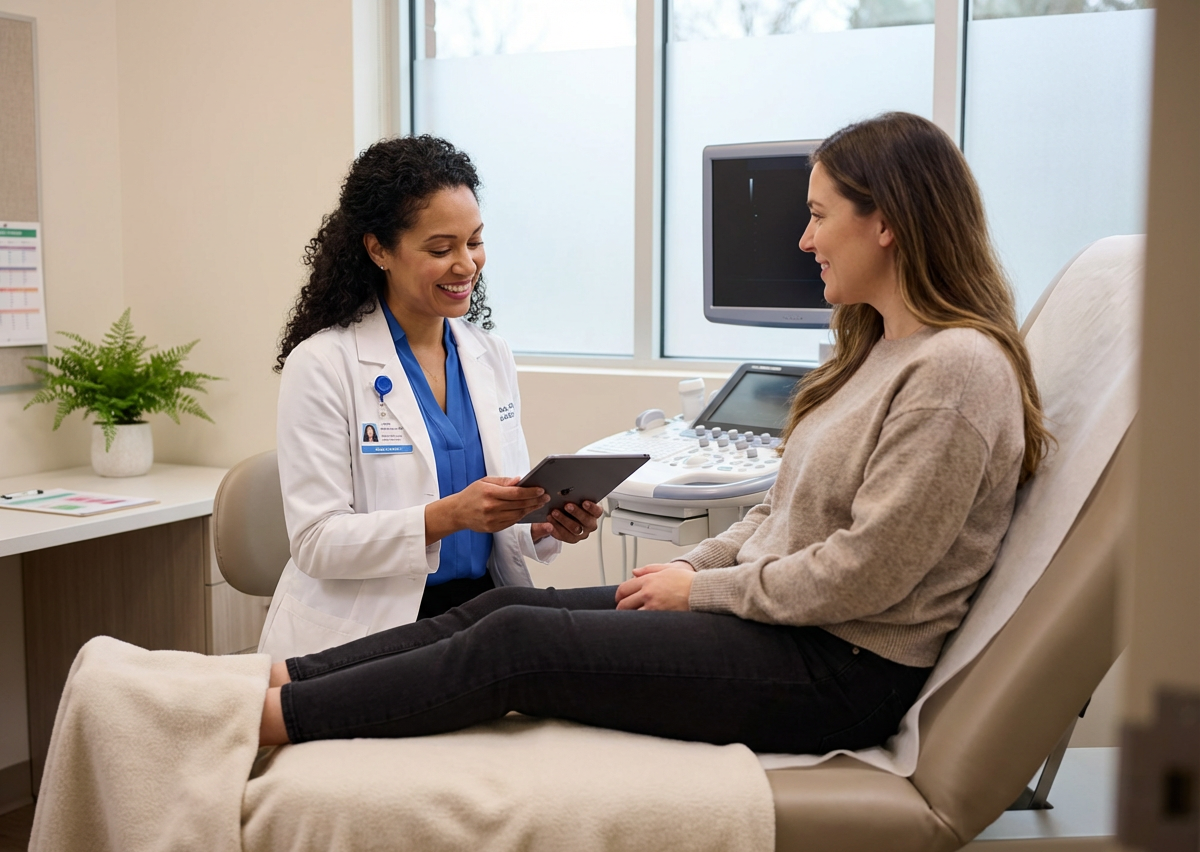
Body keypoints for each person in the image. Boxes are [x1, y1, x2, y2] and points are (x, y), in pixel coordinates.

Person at [257, 112, 1051, 753]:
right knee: (510, 614)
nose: (804, 240)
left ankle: (268, 723)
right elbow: (778, 512)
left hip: (840, 668)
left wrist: (697, 591)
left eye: (816, 215)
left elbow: (867, 576)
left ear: (888, 223)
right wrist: (687, 570)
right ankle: (274, 683)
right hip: (792, 629)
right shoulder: (874, 354)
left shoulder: (956, 371)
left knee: (520, 644)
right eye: (442, 247)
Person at [259, 135, 602, 661]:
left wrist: (542, 522)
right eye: (441, 250)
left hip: (484, 609)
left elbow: (498, 525)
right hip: (372, 626)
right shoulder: (323, 364)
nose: (466, 265)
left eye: (475, 242)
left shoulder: (490, 356)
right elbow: (316, 542)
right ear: (378, 250)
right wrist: (448, 515)